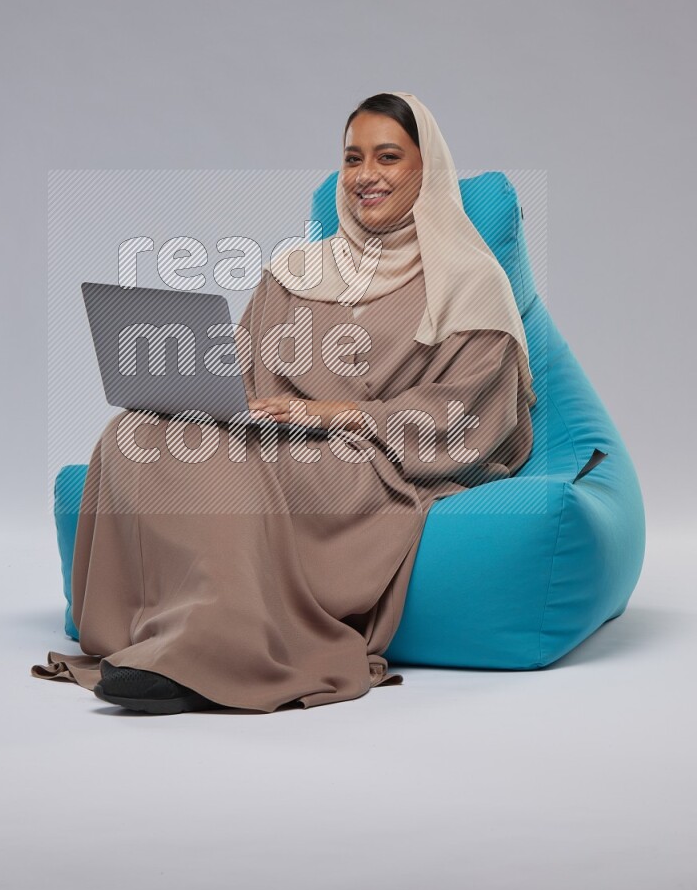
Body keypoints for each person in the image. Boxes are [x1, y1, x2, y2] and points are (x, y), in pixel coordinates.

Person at [31, 91, 536, 714]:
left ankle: (214, 652)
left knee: (218, 464)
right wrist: (193, 394)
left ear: (425, 169)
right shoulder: (296, 269)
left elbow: (472, 421)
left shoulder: (468, 279)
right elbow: (238, 375)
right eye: (353, 159)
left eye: (388, 157)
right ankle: (156, 632)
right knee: (133, 431)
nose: (366, 176)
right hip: (275, 441)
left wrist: (333, 415)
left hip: (369, 463)